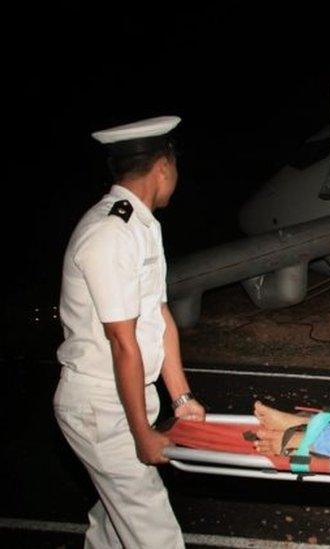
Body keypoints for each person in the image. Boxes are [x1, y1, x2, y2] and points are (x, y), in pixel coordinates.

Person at [53, 116, 205, 548]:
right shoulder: (109, 234)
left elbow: (158, 316)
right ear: (163, 166)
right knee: (152, 530)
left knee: (115, 520)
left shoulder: (142, 225)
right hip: (102, 406)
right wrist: (142, 435)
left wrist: (182, 397)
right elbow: (124, 342)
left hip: (124, 399)